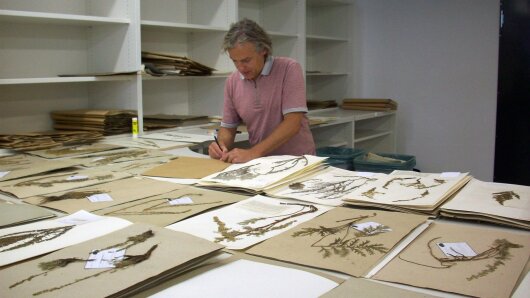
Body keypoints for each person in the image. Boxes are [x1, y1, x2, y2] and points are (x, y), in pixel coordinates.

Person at [208, 18, 315, 164]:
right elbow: (228, 127)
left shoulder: (289, 68)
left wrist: (253, 153)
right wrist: (220, 146)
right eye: (235, 61)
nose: (240, 67)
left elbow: (292, 124)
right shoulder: (233, 81)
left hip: (297, 161)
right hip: (261, 165)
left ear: (263, 50)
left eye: (246, 60)